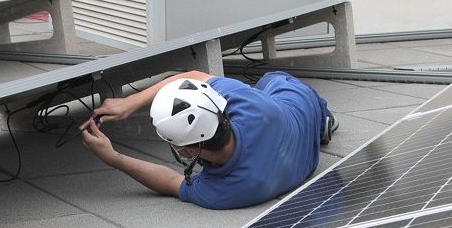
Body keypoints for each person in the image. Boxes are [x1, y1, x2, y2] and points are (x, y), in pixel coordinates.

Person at [79, 70, 335, 210]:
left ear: (188, 151)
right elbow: (191, 76)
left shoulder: (228, 191)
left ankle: (322, 120)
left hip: (296, 123)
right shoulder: (250, 105)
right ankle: (323, 119)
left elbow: (170, 182)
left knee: (270, 78)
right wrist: (129, 103)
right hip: (298, 102)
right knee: (269, 81)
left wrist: (114, 158)